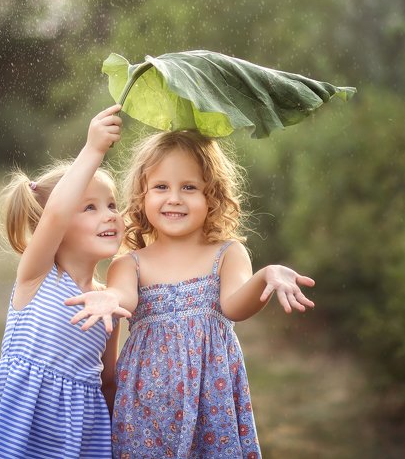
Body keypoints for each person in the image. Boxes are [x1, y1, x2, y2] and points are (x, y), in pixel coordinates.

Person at [66, 129, 316, 458]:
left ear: (212, 195)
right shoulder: (130, 263)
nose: (174, 198)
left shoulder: (227, 254)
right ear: (142, 195)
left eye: (189, 187)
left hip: (211, 402)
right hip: (145, 405)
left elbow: (234, 306)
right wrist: (111, 298)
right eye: (160, 187)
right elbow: (123, 296)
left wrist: (265, 277)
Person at [0, 103, 132, 459]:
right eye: (89, 207)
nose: (109, 216)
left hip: (80, 432)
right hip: (24, 424)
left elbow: (108, 379)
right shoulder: (37, 274)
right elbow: (58, 212)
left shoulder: (108, 301)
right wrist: (93, 150)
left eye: (111, 204)